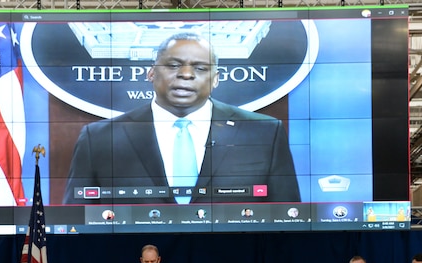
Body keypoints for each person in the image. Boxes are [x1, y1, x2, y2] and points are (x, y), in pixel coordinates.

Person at [63, 32, 300, 205]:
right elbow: (76, 219)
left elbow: (289, 217)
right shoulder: (99, 138)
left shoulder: (264, 133)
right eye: (174, 65)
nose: (185, 74)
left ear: (216, 79)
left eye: (200, 68)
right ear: (151, 73)